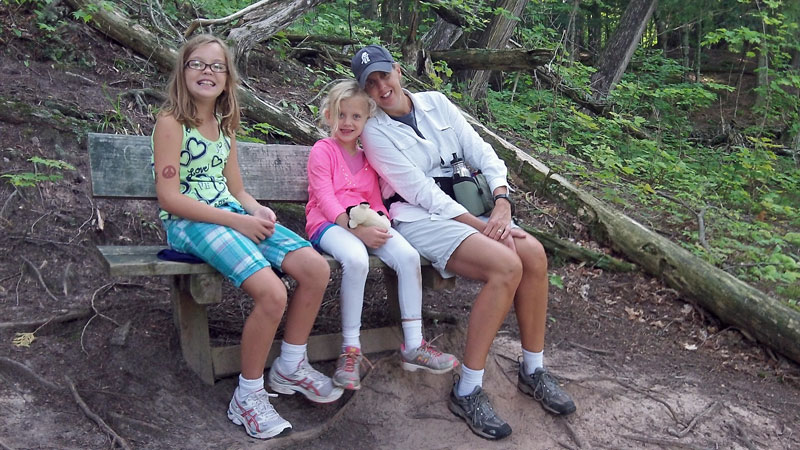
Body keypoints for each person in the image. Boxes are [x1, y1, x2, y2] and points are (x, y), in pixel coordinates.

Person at [351, 44, 576, 440]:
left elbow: (482, 152)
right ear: (365, 91)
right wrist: (480, 226)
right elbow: (419, 191)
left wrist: (503, 203)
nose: (381, 86)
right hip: (420, 218)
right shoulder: (374, 132)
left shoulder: (437, 103)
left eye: (384, 75)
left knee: (534, 255)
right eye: (370, 83)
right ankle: (468, 389)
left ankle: (533, 369)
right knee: (506, 264)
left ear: (399, 71)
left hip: (473, 211)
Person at [151, 34, 342, 440]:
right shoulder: (171, 123)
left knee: (313, 268)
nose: (207, 72)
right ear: (183, 71)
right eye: (197, 64)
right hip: (190, 223)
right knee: (273, 293)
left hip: (231, 214)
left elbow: (236, 188)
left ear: (227, 77)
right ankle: (249, 394)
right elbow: (170, 198)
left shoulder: (223, 124)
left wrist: (255, 210)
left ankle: (289, 365)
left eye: (216, 66)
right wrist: (238, 221)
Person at [305, 79, 459, 390]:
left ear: (367, 120)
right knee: (357, 259)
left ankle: (414, 344)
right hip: (328, 224)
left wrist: (381, 223)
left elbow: (375, 201)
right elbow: (325, 198)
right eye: (341, 115)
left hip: (363, 225)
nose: (347, 123)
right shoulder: (323, 151)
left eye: (356, 117)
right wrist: (356, 230)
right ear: (328, 116)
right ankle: (351, 350)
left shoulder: (366, 159)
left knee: (406, 255)